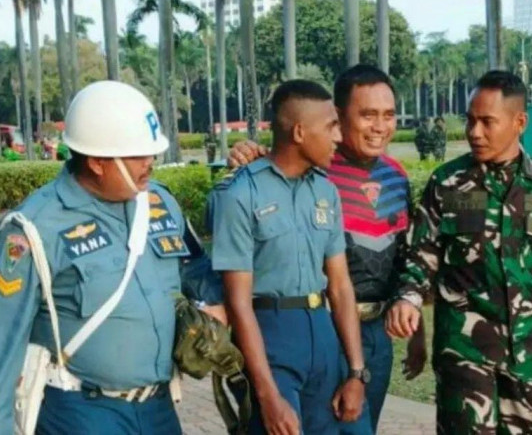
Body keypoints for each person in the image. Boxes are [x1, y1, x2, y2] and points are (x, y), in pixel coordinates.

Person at [0, 81, 225, 434]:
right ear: (98, 162)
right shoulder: (34, 228)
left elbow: (194, 263)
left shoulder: (159, 202)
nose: (150, 163)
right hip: (81, 413)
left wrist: (211, 299)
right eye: (138, 155)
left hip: (159, 409)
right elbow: (3, 344)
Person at [227, 65, 427, 434]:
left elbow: (407, 258)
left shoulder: (396, 176)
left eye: (388, 115)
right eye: (367, 115)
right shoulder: (314, 168)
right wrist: (246, 154)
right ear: (337, 115)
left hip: (376, 334)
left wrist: (418, 331)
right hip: (323, 329)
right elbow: (270, 175)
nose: (380, 127)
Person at [386, 70, 532, 435]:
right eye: (470, 120)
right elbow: (421, 254)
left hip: (527, 354)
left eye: (487, 121)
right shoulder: (448, 183)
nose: (474, 132)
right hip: (465, 352)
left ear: (519, 122)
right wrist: (408, 298)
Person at [210, 80, 366, 435]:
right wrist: (267, 394)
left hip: (322, 335)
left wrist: (356, 372)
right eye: (331, 126)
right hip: (270, 337)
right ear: (299, 131)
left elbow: (340, 287)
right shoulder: (239, 194)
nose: (339, 137)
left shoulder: (326, 191)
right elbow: (238, 301)